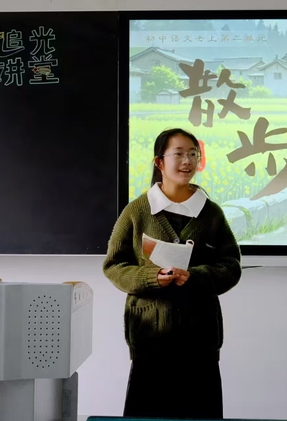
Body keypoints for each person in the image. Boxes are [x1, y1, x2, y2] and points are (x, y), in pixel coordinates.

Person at [102, 128, 242, 420]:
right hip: (149, 338)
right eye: (178, 154)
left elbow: (230, 266)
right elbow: (114, 266)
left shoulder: (211, 213)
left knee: (201, 415)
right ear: (159, 162)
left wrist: (196, 277)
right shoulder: (137, 211)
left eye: (193, 154)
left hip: (200, 340)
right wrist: (152, 278)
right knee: (147, 416)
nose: (187, 161)